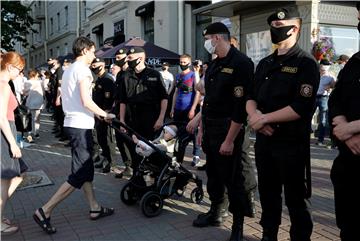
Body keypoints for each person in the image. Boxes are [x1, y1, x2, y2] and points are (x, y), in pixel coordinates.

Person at [246, 7, 320, 241]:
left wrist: (263, 119)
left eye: (279, 26)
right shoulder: (265, 62)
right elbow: (251, 97)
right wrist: (254, 116)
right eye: (273, 27)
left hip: (291, 144)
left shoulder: (305, 63)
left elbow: (301, 106)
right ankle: (269, 234)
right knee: (268, 194)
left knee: (296, 197)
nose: (274, 31)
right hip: (265, 142)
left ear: (295, 28)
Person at [32, 37, 116, 235]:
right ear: (85, 51)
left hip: (72, 124)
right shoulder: (83, 71)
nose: (94, 56)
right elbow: (87, 101)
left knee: (84, 170)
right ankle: (45, 210)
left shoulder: (68, 69)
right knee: (79, 173)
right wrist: (104, 114)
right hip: (81, 126)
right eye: (93, 51)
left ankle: (94, 206)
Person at [192, 22, 255, 241]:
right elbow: (208, 100)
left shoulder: (241, 63)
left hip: (231, 130)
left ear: (217, 38)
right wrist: (201, 128)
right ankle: (216, 212)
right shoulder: (215, 64)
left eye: (207, 38)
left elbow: (240, 107)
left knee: (234, 178)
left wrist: (229, 140)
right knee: (215, 176)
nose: (206, 43)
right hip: (211, 128)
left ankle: (237, 226)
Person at [328, 3, 360, 240]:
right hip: (349, 162)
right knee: (349, 227)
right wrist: (343, 128)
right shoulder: (355, 61)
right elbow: (336, 99)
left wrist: (352, 128)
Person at [119, 47, 168, 171]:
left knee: (152, 151)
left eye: (130, 58)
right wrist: (122, 121)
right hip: (133, 121)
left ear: (140, 58)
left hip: (151, 120)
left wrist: (161, 118)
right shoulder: (126, 76)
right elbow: (122, 101)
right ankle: (138, 181)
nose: (127, 60)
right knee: (135, 152)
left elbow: (164, 98)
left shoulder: (154, 74)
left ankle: (156, 179)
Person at [1, 51, 28, 235]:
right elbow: (1, 117)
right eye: (19, 69)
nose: (20, 73)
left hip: (6, 132)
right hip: (5, 134)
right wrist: (12, 143)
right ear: (10, 67)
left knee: (18, 175)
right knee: (5, 179)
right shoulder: (3, 85)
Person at [170, 54, 202, 166]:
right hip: (178, 109)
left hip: (189, 108)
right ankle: (178, 157)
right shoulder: (178, 76)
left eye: (184, 62)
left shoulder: (193, 75)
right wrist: (172, 108)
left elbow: (198, 92)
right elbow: (175, 92)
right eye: (181, 62)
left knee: (193, 132)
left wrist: (193, 109)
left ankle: (196, 155)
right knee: (178, 133)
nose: (182, 64)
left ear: (189, 63)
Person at [90, 57, 116, 173]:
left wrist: (106, 113)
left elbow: (110, 99)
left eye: (96, 65)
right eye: (93, 66)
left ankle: (112, 163)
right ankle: (104, 158)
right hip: (98, 114)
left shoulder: (107, 79)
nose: (94, 68)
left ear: (103, 65)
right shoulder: (99, 79)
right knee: (100, 138)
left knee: (108, 139)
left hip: (105, 114)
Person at [112, 48, 133, 178]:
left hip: (130, 113)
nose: (117, 60)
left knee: (129, 140)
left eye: (120, 58)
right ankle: (128, 166)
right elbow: (117, 96)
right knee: (120, 141)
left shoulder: (131, 73)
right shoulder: (120, 74)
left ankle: (133, 167)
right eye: (117, 58)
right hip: (118, 112)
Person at [313, 59, 335, 146]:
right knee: (308, 116)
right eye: (321, 69)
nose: (322, 70)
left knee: (323, 120)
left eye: (324, 69)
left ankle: (320, 140)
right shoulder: (315, 74)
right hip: (313, 97)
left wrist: (330, 86)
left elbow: (334, 86)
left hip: (324, 98)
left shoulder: (330, 77)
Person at [23, 69, 44, 139]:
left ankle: (30, 132)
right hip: (39, 102)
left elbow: (24, 93)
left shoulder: (26, 82)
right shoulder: (40, 82)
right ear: (35, 74)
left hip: (30, 102)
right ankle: (36, 132)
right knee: (37, 118)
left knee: (30, 118)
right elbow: (43, 92)